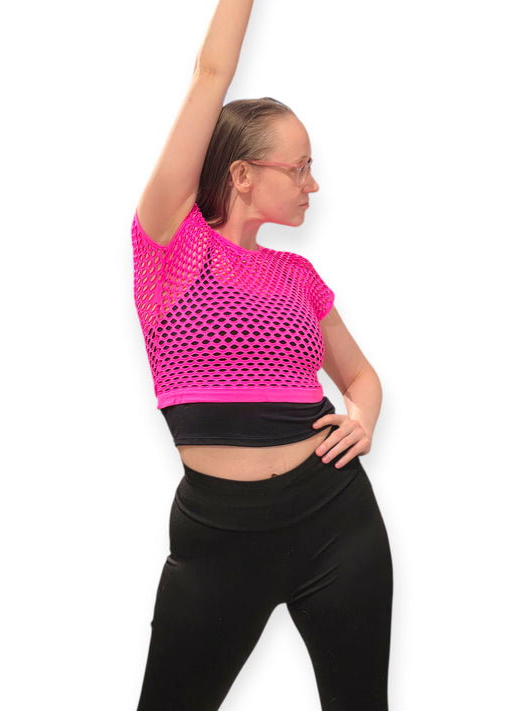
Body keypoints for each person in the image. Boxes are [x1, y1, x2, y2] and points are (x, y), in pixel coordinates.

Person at [131, 1, 393, 709]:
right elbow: (210, 74)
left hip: (336, 520)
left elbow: (360, 376)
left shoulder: (297, 276)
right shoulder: (170, 245)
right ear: (243, 174)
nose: (313, 184)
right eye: (299, 168)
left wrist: (363, 418)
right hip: (219, 538)